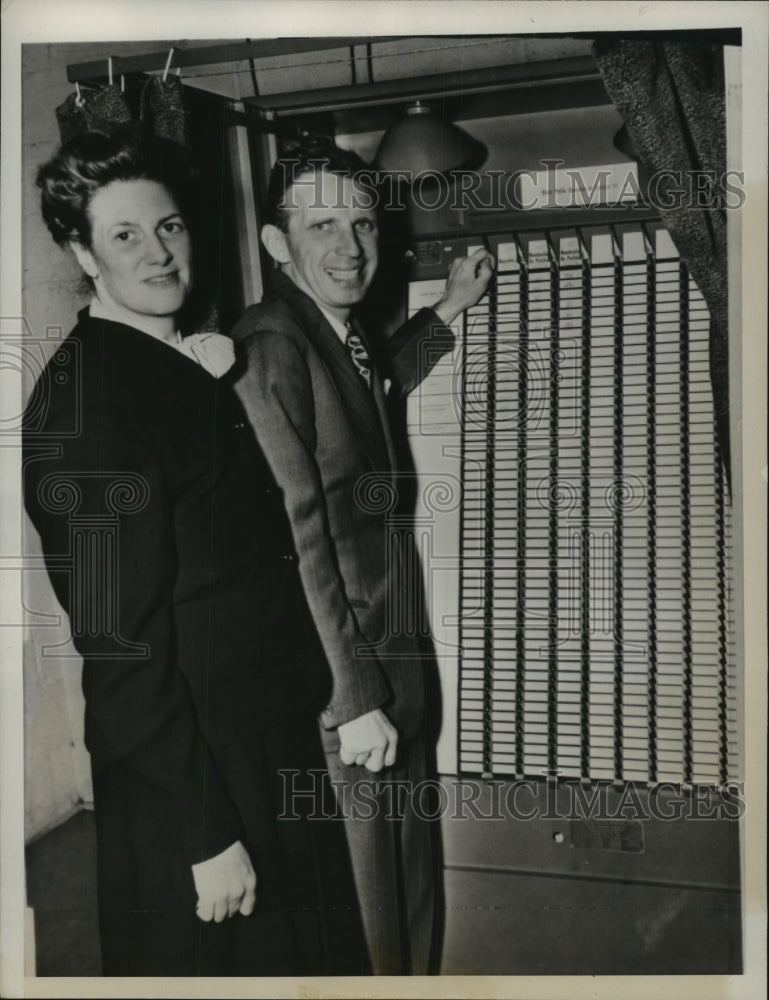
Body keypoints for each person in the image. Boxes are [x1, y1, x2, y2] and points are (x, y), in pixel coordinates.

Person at [23, 128, 367, 977]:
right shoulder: (87, 408)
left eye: (170, 227)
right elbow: (119, 649)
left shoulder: (167, 359)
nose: (158, 253)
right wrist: (206, 835)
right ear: (82, 251)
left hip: (260, 730)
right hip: (197, 773)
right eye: (126, 235)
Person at [231, 139, 494, 974]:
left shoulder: (327, 330)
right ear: (277, 245)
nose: (349, 246)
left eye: (362, 222)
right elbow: (293, 533)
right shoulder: (269, 343)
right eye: (320, 224)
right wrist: (352, 697)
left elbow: (369, 388)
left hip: (395, 669)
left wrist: (446, 311)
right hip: (347, 693)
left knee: (411, 888)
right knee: (368, 914)